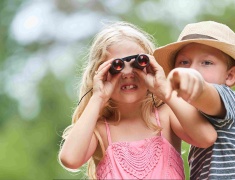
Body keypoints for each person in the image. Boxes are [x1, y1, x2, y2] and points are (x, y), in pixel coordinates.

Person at [58, 21, 216, 179]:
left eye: (137, 63)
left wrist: (165, 91)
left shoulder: (166, 116)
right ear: (99, 73)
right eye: (116, 66)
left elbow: (206, 137)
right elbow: (70, 159)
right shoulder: (99, 130)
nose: (127, 73)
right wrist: (98, 97)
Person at [154, 21, 235, 180]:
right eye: (184, 63)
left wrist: (193, 81)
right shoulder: (193, 119)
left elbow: (206, 93)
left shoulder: (227, 98)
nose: (192, 70)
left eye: (206, 63)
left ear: (230, 76)